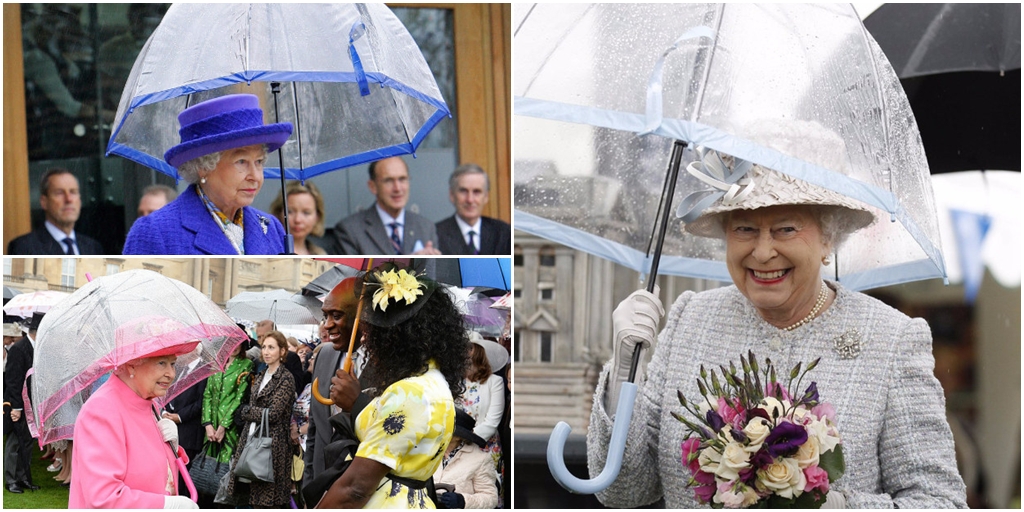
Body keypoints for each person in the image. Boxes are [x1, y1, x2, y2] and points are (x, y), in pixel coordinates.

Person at [586, 146, 968, 508]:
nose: (763, 251)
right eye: (745, 229)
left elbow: (939, 502)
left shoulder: (891, 339)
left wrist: (839, 506)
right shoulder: (690, 319)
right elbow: (623, 491)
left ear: (827, 239)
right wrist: (624, 370)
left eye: (786, 229)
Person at [315, 266, 469, 508]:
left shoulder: (410, 392)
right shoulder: (434, 380)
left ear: (393, 336)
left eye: (372, 330)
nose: (367, 337)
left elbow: (355, 489)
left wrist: (356, 404)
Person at [123, 94, 291, 255]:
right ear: (204, 165)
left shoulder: (272, 228)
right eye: (241, 162)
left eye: (259, 162)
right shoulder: (155, 232)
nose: (255, 176)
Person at [68, 341, 199, 508]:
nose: (171, 373)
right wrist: (164, 505)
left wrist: (172, 448)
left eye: (173, 364)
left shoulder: (150, 402)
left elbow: (151, 470)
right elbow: (104, 497)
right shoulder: (102, 409)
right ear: (131, 366)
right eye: (162, 363)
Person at [302, 277, 376, 491]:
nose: (327, 325)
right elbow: (315, 430)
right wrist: (310, 487)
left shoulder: (390, 365)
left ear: (363, 317)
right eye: (325, 316)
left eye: (337, 316)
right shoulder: (324, 355)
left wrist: (357, 403)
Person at [227, 331, 297, 508]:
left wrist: (245, 412)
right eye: (264, 347)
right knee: (247, 493)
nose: (266, 351)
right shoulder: (260, 375)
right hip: (251, 438)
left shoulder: (286, 378)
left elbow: (273, 413)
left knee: (266, 498)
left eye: (271, 347)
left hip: (273, 444)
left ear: (282, 351)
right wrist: (250, 412)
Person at [328, 156, 441, 255]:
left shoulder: (426, 227)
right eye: (388, 181)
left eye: (402, 179)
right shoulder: (350, 230)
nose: (397, 188)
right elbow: (352, 275)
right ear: (373, 186)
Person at [7, 168, 104, 255]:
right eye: (59, 193)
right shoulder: (24, 247)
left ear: (80, 199)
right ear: (44, 202)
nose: (69, 199)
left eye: (73, 192)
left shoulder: (93, 247)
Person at [459, 332, 507, 504]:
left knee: (485, 494)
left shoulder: (495, 381)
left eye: (469, 350)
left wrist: (469, 438)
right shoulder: (456, 382)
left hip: (485, 446)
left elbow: (492, 421)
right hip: (458, 446)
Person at [201, 340, 253, 480]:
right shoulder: (216, 364)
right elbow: (207, 395)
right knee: (206, 468)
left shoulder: (246, 365)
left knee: (225, 468)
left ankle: (223, 499)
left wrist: (224, 425)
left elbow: (239, 398)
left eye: (237, 344)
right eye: (230, 344)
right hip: (212, 424)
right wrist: (207, 424)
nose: (234, 347)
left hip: (230, 426)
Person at [4, 314, 42, 494]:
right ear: (37, 331)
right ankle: (11, 480)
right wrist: (16, 408)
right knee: (14, 443)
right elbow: (13, 380)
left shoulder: (36, 348)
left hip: (32, 403)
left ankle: (24, 477)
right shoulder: (19, 348)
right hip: (18, 405)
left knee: (27, 442)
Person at [436, 164, 512, 255]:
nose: (470, 199)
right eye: (463, 191)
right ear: (452, 195)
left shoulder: (503, 233)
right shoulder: (435, 235)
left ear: (486, 197)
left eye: (477, 192)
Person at [432, 409, 500, 509]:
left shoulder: (480, 459)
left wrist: (463, 501)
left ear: (459, 437)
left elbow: (490, 498)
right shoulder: (427, 451)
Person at [270, 180, 328, 255]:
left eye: (306, 213)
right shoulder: (268, 252)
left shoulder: (321, 254)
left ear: (317, 216)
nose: (298, 220)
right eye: (290, 211)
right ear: (278, 213)